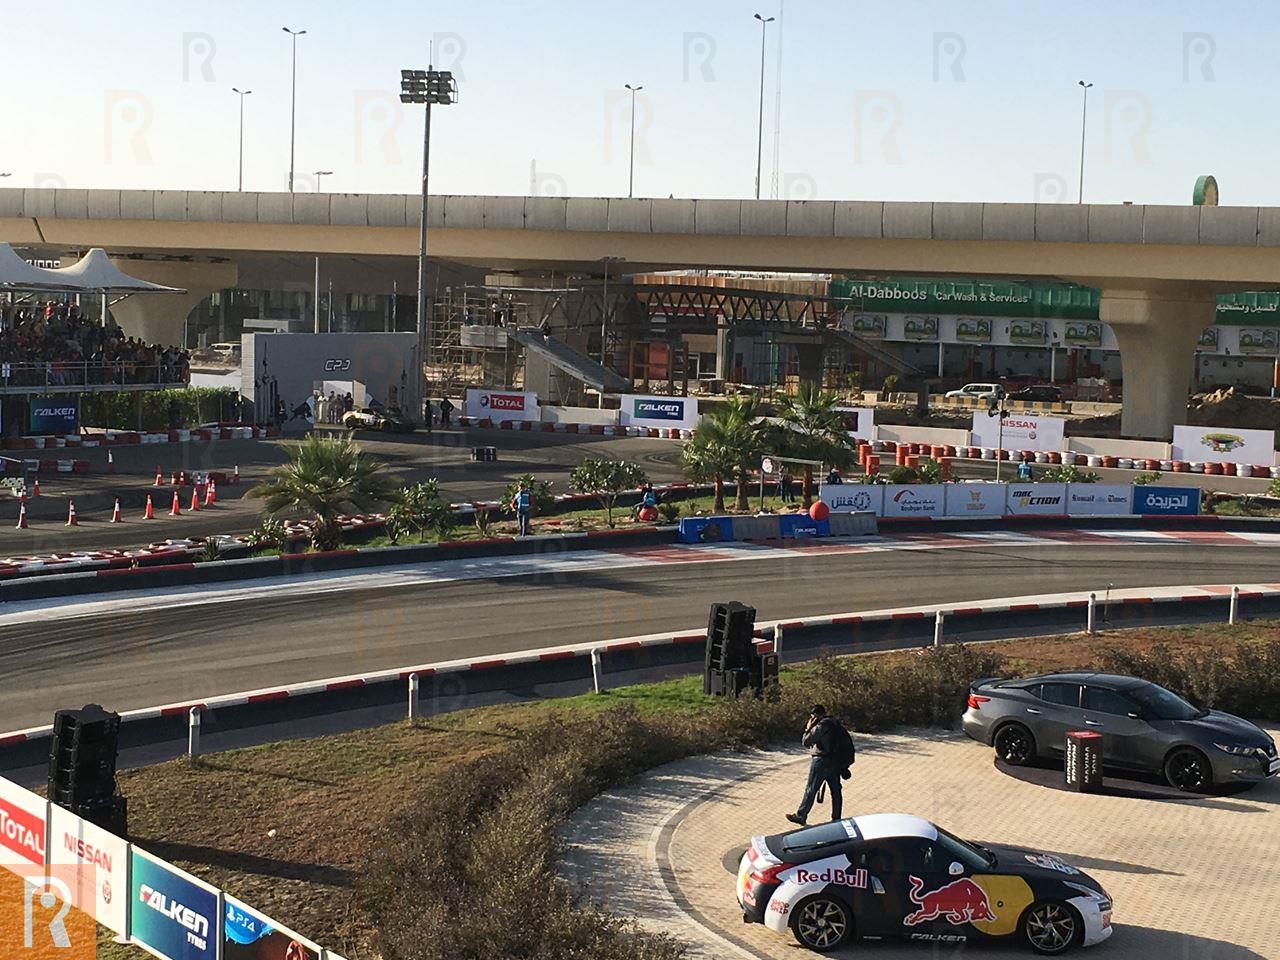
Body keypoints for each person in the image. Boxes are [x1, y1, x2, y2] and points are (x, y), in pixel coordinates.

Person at [787, 705, 853, 826]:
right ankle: (836, 818)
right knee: (836, 790)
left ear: (815, 715)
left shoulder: (821, 726)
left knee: (811, 788)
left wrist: (808, 728)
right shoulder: (835, 723)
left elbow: (806, 741)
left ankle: (801, 815)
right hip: (835, 761)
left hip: (821, 761)